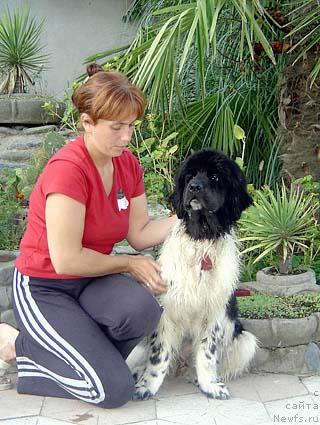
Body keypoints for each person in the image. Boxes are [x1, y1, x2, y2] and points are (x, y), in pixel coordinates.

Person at [0, 63, 177, 407]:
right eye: (116, 127)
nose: (126, 137)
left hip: (90, 281)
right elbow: (66, 260)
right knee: (112, 390)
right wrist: (128, 264)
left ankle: (80, 356)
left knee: (143, 310)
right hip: (45, 285)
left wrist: (189, 219)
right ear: (87, 123)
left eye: (130, 126)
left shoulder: (127, 164)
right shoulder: (69, 170)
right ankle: (20, 345)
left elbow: (139, 234)